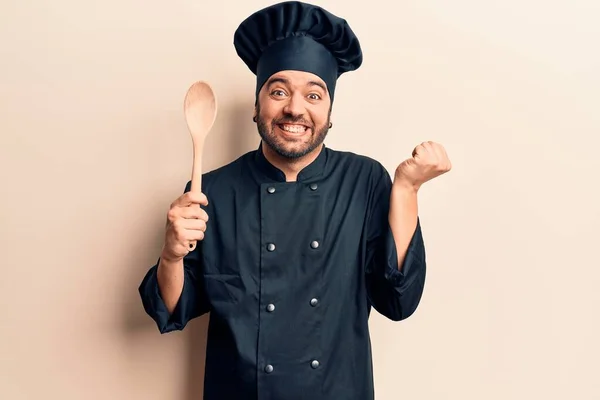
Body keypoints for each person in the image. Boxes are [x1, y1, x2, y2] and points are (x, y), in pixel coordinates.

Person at [138, 1, 451, 399]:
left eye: (314, 95)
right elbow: (174, 308)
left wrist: (407, 190)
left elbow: (398, 300)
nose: (295, 109)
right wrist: (171, 256)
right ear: (256, 106)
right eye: (279, 90)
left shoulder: (365, 180)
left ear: (330, 113)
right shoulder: (210, 191)